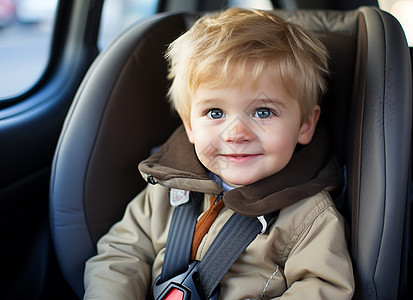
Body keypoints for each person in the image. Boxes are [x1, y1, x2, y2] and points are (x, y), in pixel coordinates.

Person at [84, 8, 354, 299]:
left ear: (305, 125)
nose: (236, 133)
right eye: (215, 112)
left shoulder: (308, 216)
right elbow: (121, 254)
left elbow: (322, 288)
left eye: (263, 112)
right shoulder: (166, 191)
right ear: (189, 126)